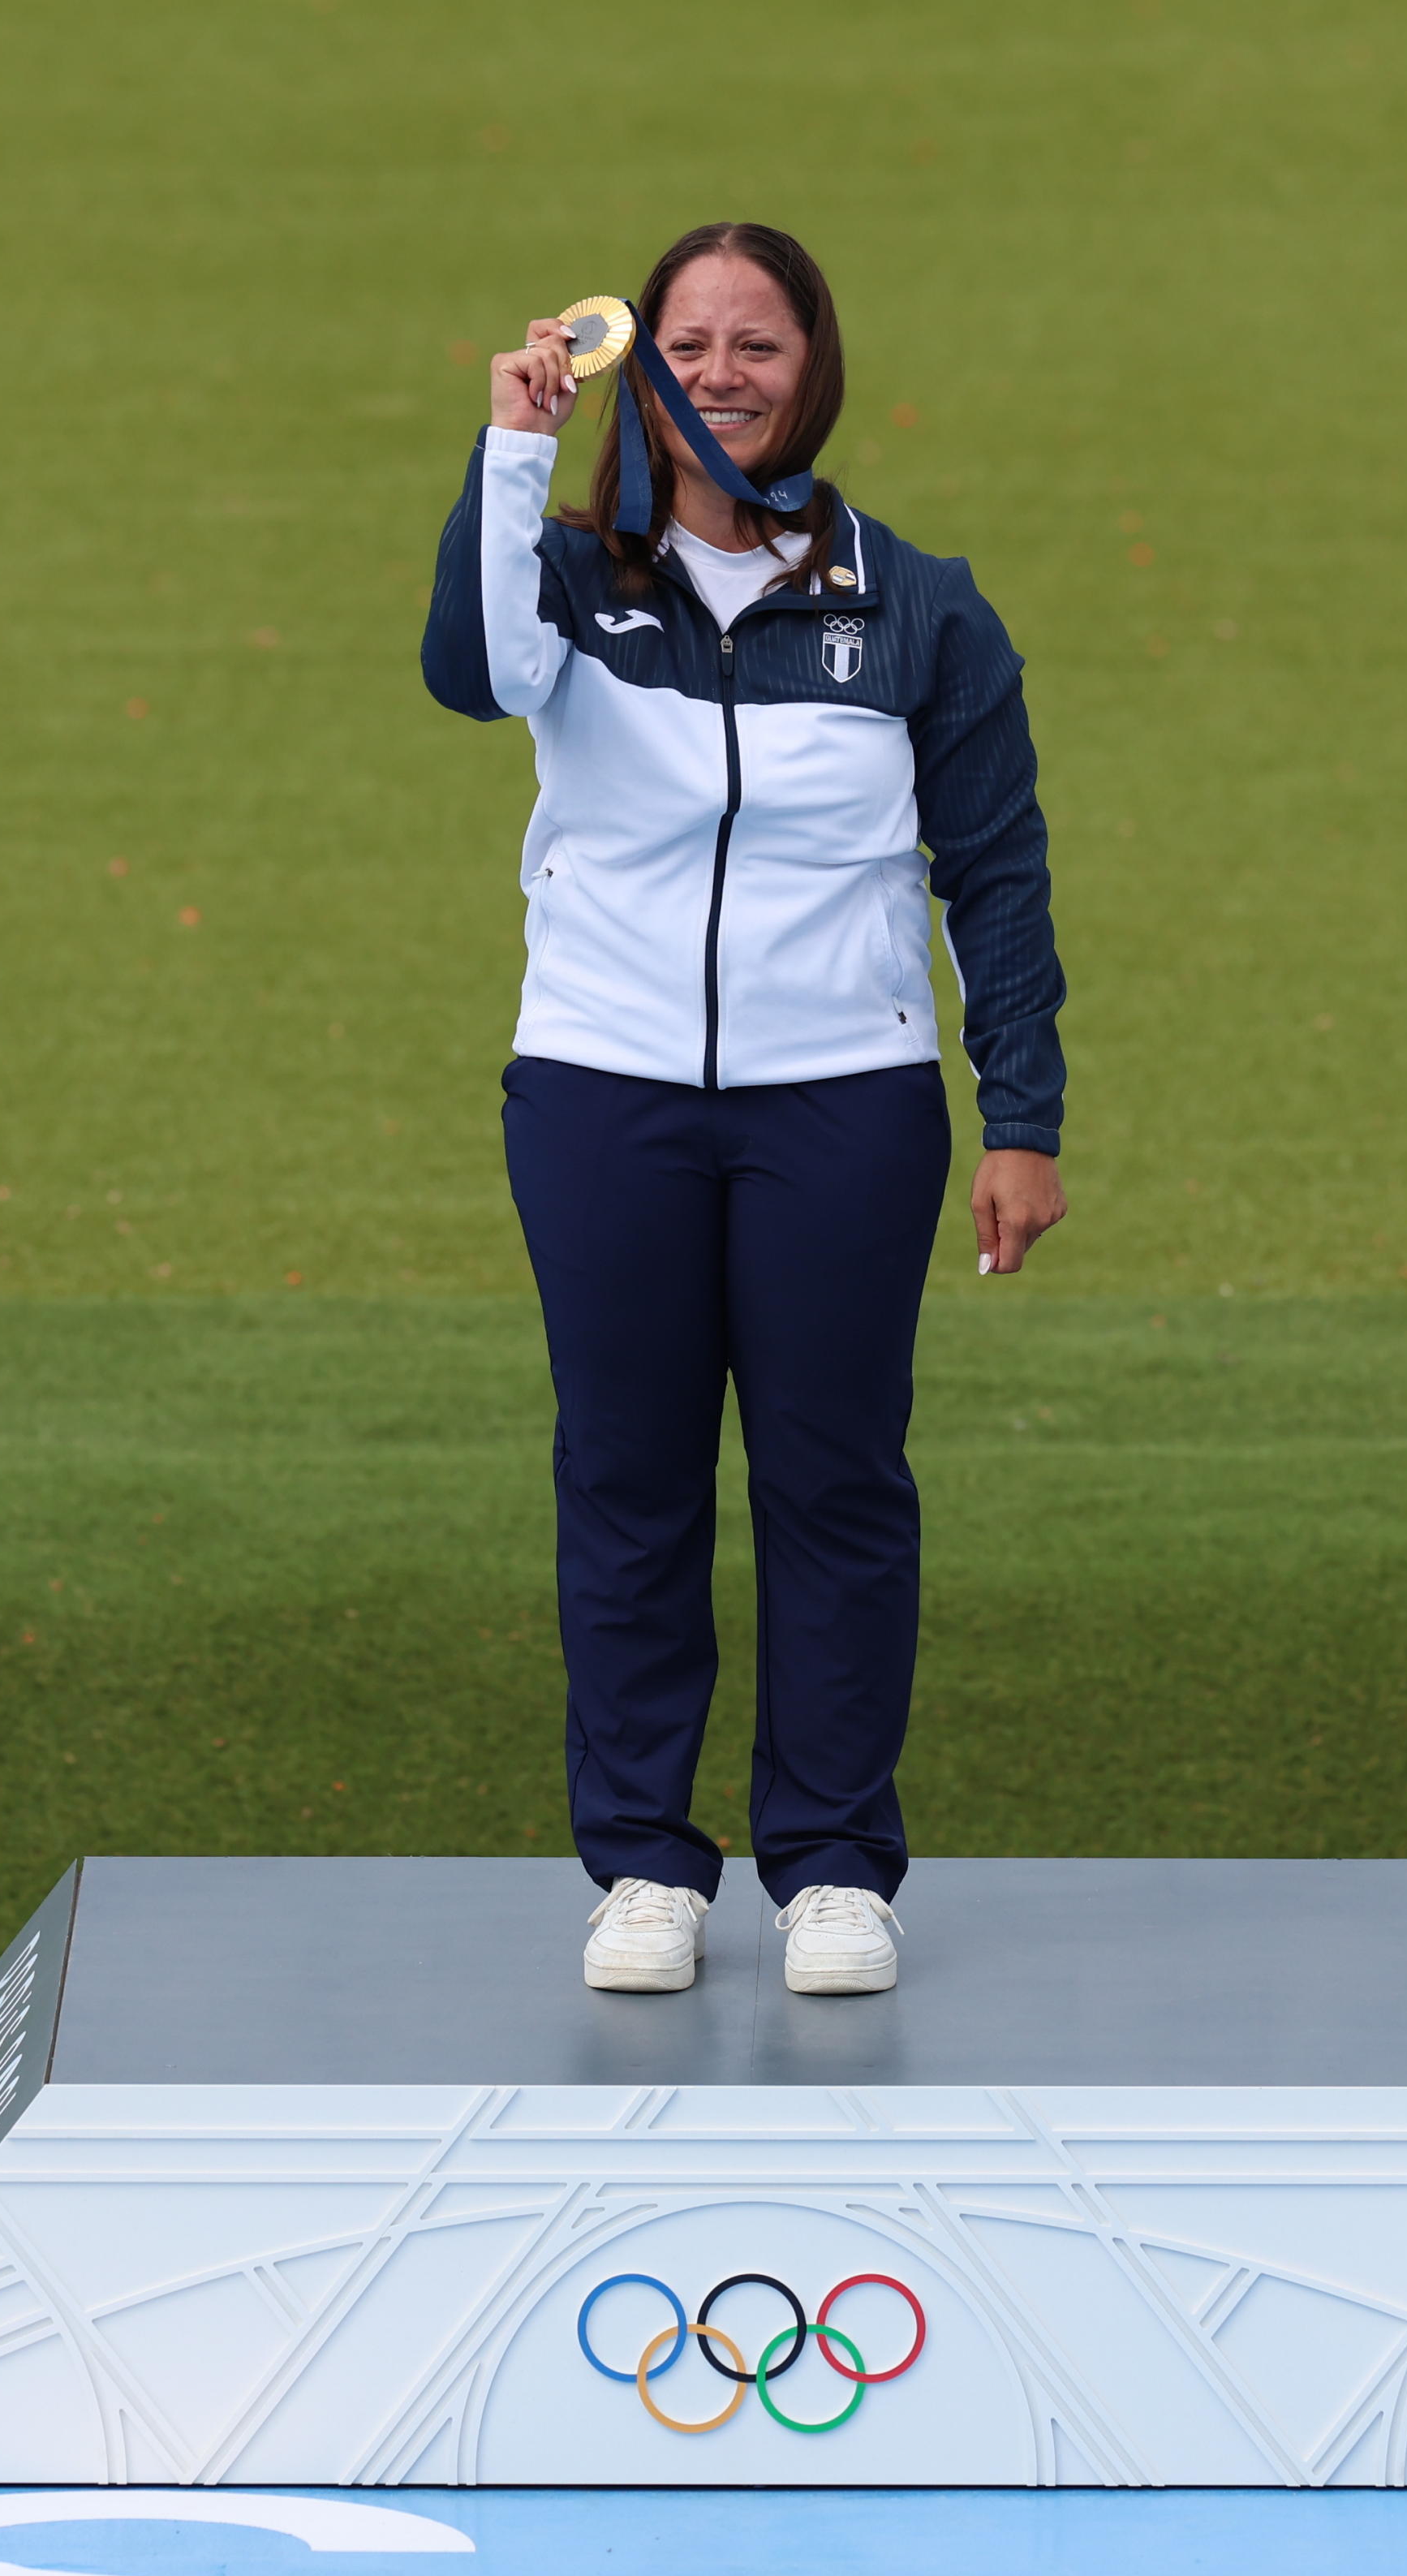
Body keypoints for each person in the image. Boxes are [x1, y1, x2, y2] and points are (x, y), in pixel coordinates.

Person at [422, 222, 1068, 1999]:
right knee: (625, 1476)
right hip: (601, 1094)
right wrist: (512, 451)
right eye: (689, 343)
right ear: (639, 365)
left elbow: (994, 875)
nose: (720, 371)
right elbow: (468, 673)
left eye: (756, 344)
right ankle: (643, 1857)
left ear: (816, 367)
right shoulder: (570, 578)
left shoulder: (913, 601)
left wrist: (1024, 1115)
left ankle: (834, 1859)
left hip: (843, 1105)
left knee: (836, 1478)